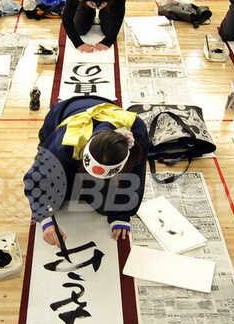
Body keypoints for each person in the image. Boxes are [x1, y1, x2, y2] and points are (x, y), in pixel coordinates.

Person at [23, 96, 150, 243]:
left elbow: (136, 174)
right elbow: (36, 179)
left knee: (104, 204)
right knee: (61, 196)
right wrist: (46, 222)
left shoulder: (137, 131)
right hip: (61, 123)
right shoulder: (66, 140)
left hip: (107, 111)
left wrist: (121, 215)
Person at [62, 0, 126, 53]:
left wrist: (108, 41)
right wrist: (78, 43)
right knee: (79, 29)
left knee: (108, 31)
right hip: (86, 4)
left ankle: (103, 14)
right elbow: (66, 17)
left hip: (108, 5)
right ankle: (89, 13)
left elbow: (119, 14)